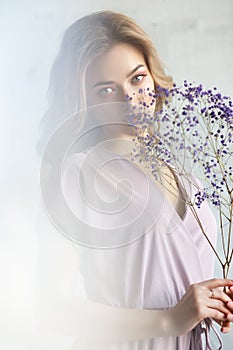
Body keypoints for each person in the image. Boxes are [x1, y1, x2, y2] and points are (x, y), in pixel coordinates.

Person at [37, 10, 233, 349]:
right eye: (106, 90)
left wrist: (213, 303)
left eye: (137, 78)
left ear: (153, 77)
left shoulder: (185, 178)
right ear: (83, 102)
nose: (129, 100)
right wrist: (170, 319)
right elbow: (50, 307)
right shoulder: (78, 175)